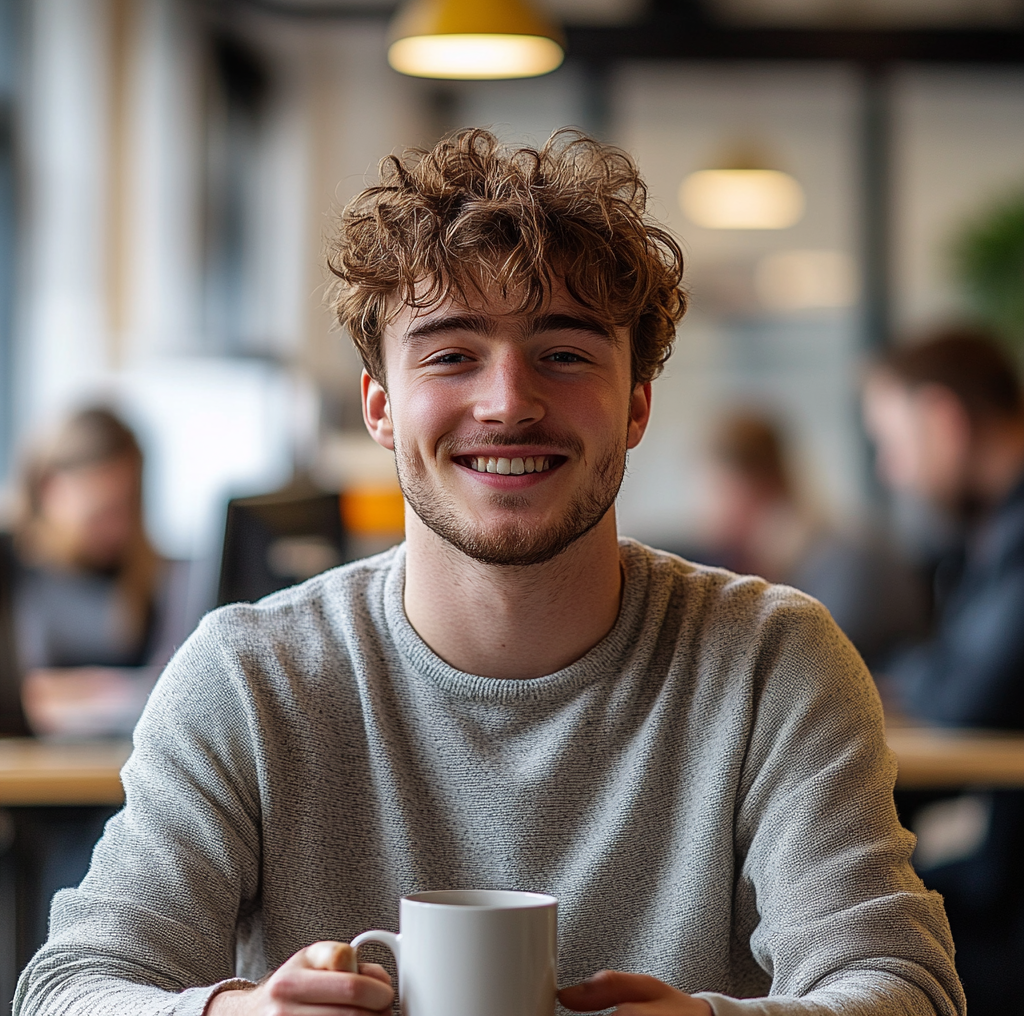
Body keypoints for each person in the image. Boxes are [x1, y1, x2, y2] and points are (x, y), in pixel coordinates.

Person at [15, 130, 962, 1016]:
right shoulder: (247, 676)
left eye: (563, 353)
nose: (508, 404)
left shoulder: (769, 661)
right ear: (381, 408)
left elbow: (903, 983)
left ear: (635, 404)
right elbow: (73, 984)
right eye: (453, 354)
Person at [1, 406, 206, 962]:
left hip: (115, 775)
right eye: (100, 511)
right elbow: (26, 691)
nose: (114, 527)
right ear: (49, 489)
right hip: (37, 789)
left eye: (126, 509)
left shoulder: (152, 574)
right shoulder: (15, 568)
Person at [863, 327, 1024, 1013]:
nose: (893, 471)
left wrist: (902, 681)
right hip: (1005, 872)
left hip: (1012, 911)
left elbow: (969, 691)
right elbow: (951, 664)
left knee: (859, 925)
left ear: (943, 420)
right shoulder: (988, 535)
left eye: (893, 443)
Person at [696, 410, 927, 668]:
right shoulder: (784, 554)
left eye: (712, 489)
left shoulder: (846, 561)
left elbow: (817, 666)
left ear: (743, 485)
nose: (703, 509)